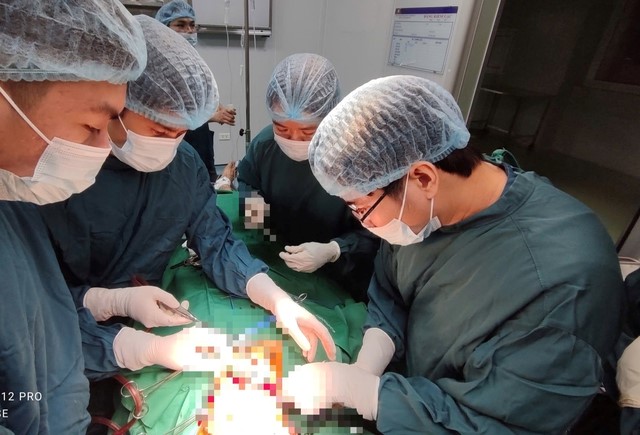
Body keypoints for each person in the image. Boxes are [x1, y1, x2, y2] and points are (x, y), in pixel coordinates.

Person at [282, 75, 624, 434]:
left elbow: (501, 424)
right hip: (416, 390)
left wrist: (371, 395)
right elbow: (392, 285)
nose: (363, 223)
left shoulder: (564, 283)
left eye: (361, 207)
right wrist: (370, 360)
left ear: (424, 178)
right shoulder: (422, 215)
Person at [39, 15, 335, 383]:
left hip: (141, 316)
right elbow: (32, 308)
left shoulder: (184, 166)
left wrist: (275, 298)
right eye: (160, 130)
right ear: (117, 106)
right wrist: (138, 343)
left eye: (181, 132)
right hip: (61, 341)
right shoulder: (57, 171)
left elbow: (216, 243)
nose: (171, 145)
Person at [0, 0, 147, 433]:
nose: (105, 148)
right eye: (92, 126)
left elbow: (41, 339)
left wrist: (117, 329)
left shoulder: (14, 199)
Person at [237, 53, 379, 302]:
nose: (293, 140)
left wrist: (334, 250)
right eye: (282, 128)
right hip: (281, 262)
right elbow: (248, 183)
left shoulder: (358, 158)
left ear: (331, 116)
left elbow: (378, 231)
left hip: (343, 278)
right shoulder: (265, 145)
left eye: (307, 131)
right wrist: (256, 216)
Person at [156, 0, 236, 181]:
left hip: (200, 144)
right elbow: (165, 112)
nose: (189, 30)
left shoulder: (194, 64)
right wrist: (211, 116)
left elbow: (201, 98)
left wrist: (217, 108)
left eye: (192, 25)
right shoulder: (158, 65)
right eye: (181, 25)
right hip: (175, 148)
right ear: (163, 28)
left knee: (205, 183)